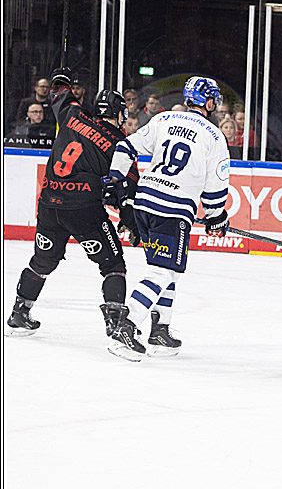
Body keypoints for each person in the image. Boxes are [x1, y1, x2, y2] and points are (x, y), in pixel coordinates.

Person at [106, 77, 231, 361]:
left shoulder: (164, 120)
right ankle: (126, 328)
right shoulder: (214, 137)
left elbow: (125, 148)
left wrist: (116, 177)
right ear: (208, 102)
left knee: (166, 269)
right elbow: (215, 188)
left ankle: (160, 331)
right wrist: (215, 216)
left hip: (144, 203)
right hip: (171, 211)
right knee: (162, 271)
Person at [6, 72, 138, 341]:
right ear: (118, 113)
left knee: (43, 261)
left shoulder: (73, 116)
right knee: (113, 266)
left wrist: (61, 77)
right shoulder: (120, 145)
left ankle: (20, 311)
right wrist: (129, 219)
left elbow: (59, 92)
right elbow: (126, 188)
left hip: (49, 204)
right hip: (84, 211)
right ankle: (114, 321)